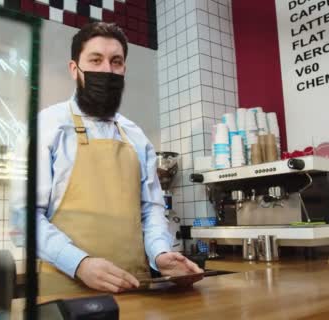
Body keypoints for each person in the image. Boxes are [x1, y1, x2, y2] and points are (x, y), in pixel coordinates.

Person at [12, 22, 202, 295]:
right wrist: (80, 263)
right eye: (95, 60)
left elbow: (151, 210)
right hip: (67, 289)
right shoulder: (47, 126)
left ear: (124, 69)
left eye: (116, 62)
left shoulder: (137, 137)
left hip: (135, 286)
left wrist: (160, 254)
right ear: (74, 69)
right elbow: (25, 216)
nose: (107, 70)